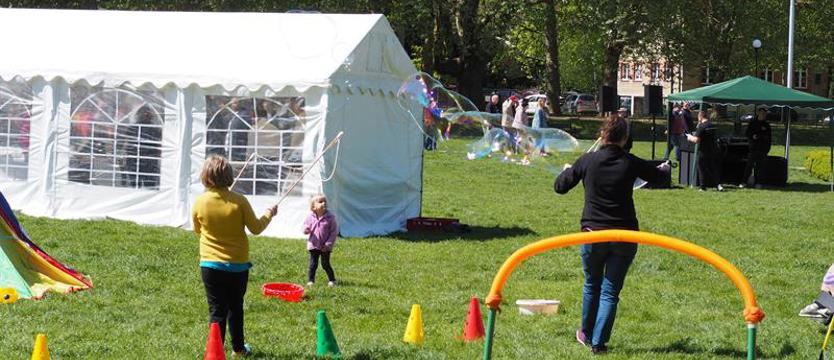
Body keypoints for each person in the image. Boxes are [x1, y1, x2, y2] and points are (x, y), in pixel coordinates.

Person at [555, 115, 670, 355]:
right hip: (624, 236)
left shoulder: (588, 160)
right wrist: (664, 168)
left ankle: (586, 333)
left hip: (592, 235)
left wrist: (567, 171)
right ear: (625, 138)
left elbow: (560, 187)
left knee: (592, 284)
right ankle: (598, 343)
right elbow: (660, 177)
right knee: (610, 291)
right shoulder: (629, 162)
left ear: (602, 135)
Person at [192, 155, 277, 357]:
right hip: (237, 266)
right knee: (235, 308)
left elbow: (198, 230)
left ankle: (215, 351)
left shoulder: (200, 202)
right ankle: (238, 349)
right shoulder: (240, 201)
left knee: (217, 310)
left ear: (206, 176)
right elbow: (256, 228)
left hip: (210, 265)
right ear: (229, 176)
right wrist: (268, 214)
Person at [304, 194, 339, 287]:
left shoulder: (330, 217)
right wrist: (306, 230)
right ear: (313, 207)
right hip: (313, 244)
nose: (324, 203)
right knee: (313, 264)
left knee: (325, 264)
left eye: (325, 201)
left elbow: (333, 232)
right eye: (320, 202)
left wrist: (328, 244)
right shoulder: (310, 217)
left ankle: (332, 280)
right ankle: (310, 281)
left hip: (325, 246)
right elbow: (305, 226)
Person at [686, 110, 724, 191]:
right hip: (713, 149)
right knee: (713, 168)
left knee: (702, 169)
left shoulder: (702, 126)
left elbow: (696, 140)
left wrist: (689, 137)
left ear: (700, 117)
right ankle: (718, 185)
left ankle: (703, 187)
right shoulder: (712, 125)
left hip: (703, 150)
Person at [741, 108, 772, 188]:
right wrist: (752, 136)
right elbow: (747, 133)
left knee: (760, 167)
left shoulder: (766, 125)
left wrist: (767, 148)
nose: (763, 115)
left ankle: (758, 182)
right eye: (761, 113)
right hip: (753, 148)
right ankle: (744, 182)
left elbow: (768, 137)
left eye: (764, 114)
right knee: (749, 166)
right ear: (758, 113)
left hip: (762, 149)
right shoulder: (752, 123)